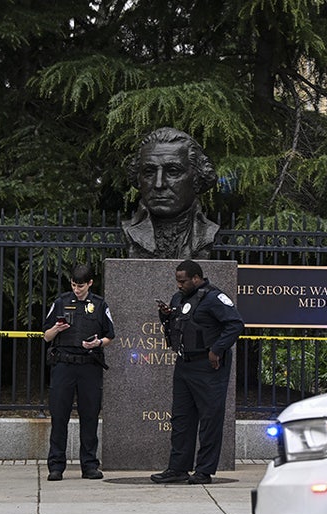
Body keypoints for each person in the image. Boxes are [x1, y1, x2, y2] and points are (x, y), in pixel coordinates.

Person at [150, 259, 244, 485]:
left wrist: (217, 349)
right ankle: (178, 468)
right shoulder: (178, 298)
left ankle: (204, 470)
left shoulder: (213, 297)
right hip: (184, 364)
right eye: (177, 281)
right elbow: (175, 323)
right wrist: (165, 314)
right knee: (181, 418)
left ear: (196, 278)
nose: (179, 285)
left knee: (210, 418)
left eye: (183, 281)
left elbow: (235, 324)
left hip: (208, 366)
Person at [42, 263, 115, 481]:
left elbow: (110, 335)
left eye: (81, 286)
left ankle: (89, 465)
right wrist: (57, 329)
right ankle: (56, 466)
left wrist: (98, 343)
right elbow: (46, 336)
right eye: (74, 285)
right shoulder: (61, 302)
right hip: (64, 365)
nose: (77, 289)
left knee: (90, 416)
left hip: (89, 365)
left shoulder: (100, 305)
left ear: (90, 283)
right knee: (59, 416)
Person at [122, 127, 220, 259]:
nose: (159, 184)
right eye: (149, 172)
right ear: (138, 179)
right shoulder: (129, 231)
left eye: (173, 172)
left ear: (197, 178)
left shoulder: (208, 232)